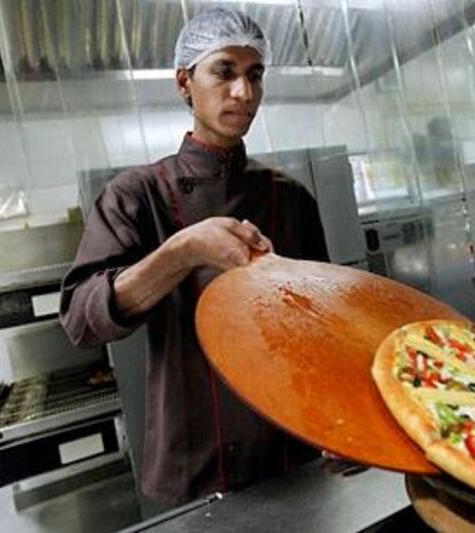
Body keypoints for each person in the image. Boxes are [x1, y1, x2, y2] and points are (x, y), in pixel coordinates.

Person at [60, 7, 328, 506]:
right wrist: (182, 250)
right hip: (195, 465)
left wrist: (340, 426)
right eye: (224, 72)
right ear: (185, 82)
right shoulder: (136, 195)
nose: (243, 93)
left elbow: (323, 328)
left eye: (254, 75)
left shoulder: (290, 197)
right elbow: (81, 322)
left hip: (294, 452)